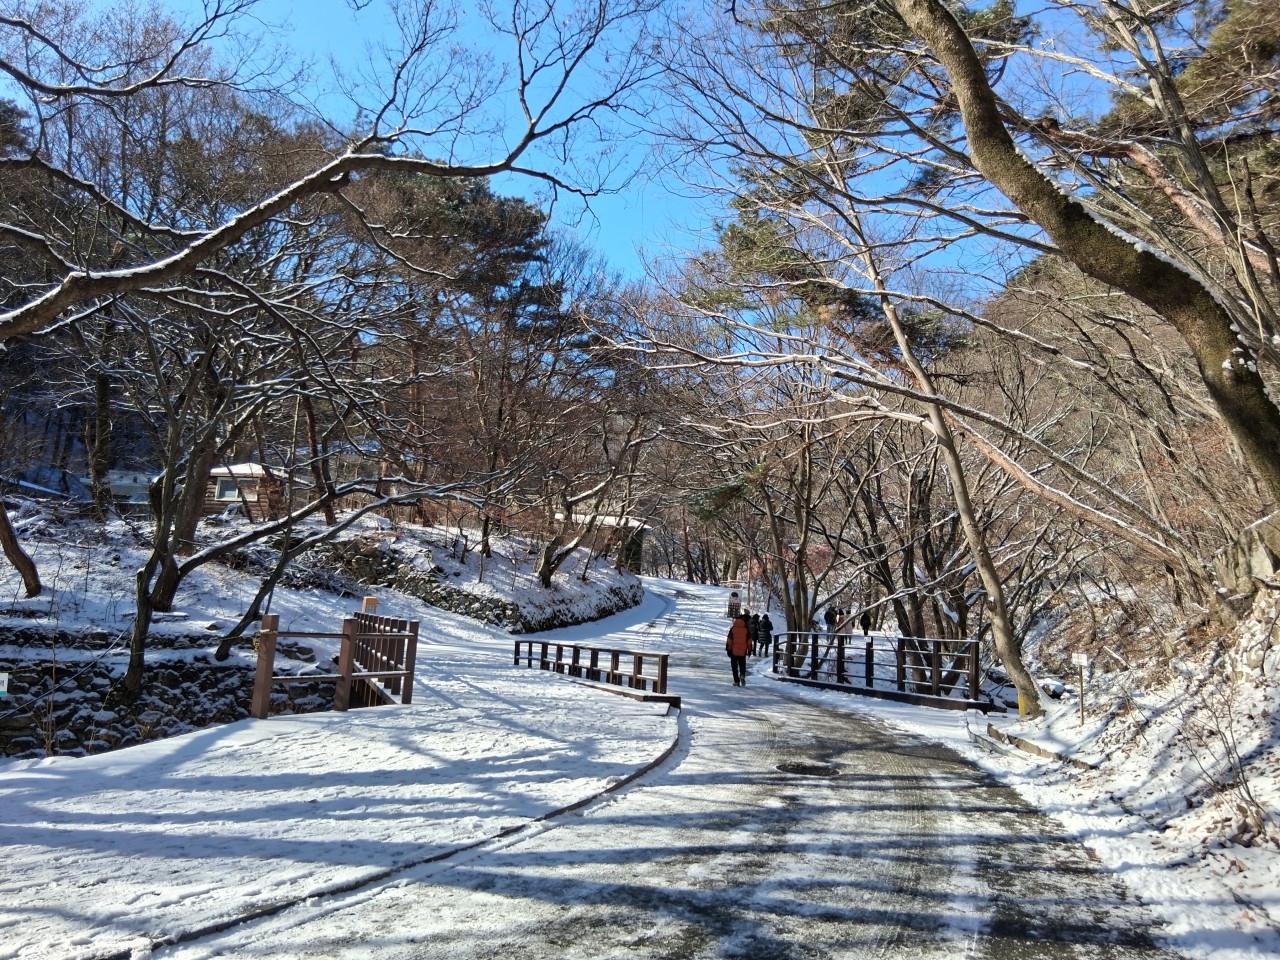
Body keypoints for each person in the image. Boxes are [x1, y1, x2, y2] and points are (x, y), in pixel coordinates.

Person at [726, 611, 751, 686]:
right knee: (742, 665)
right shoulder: (746, 630)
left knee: (734, 667)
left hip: (734, 651)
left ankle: (736, 681)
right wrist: (749, 650)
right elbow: (749, 641)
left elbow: (729, 640)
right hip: (743, 651)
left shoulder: (732, 629)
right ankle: (742, 675)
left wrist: (728, 649)